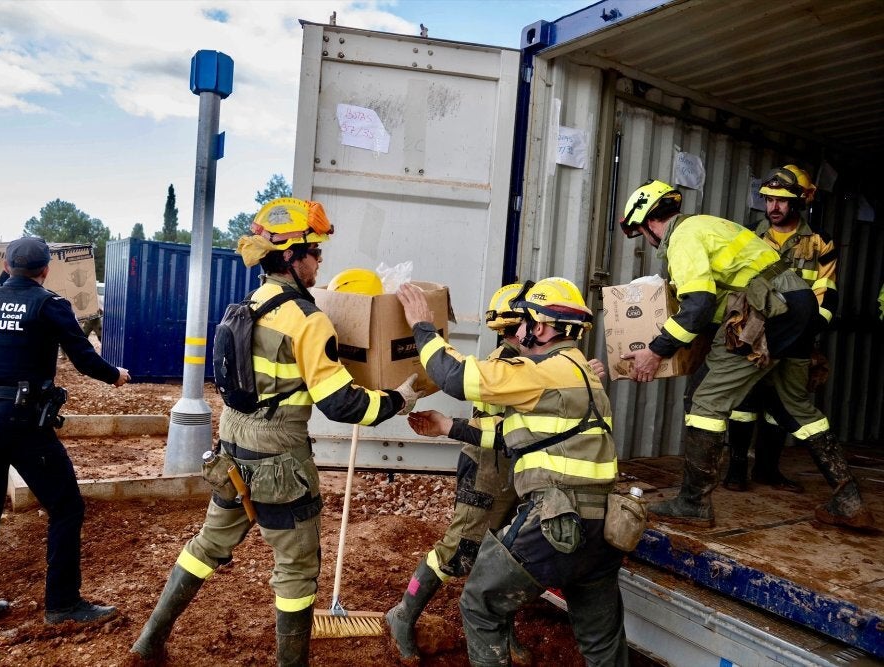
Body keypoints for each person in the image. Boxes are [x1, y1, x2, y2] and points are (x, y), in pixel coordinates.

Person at [129, 198, 421, 667]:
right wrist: (399, 398)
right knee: (298, 569)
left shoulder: (249, 304)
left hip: (233, 447)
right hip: (281, 462)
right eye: (315, 251)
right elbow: (343, 403)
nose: (320, 260)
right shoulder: (307, 320)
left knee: (207, 544)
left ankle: (149, 640)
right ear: (291, 256)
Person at [618, 179, 874, 531]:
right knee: (797, 406)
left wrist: (656, 351)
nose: (647, 240)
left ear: (647, 220)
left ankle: (692, 503)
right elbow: (720, 297)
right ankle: (849, 499)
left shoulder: (683, 237)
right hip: (798, 308)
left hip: (764, 313)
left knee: (704, 401)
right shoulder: (709, 225)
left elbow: (699, 305)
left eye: (640, 231)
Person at [397, 278, 628, 667]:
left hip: (556, 522)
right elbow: (518, 435)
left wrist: (423, 326)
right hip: (604, 530)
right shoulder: (587, 377)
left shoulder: (540, 371)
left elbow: (455, 377)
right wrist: (446, 427)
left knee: (479, 601)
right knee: (602, 645)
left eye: (525, 323)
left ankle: (404, 615)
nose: (519, 332)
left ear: (539, 327)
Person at [0, 236, 131, 624]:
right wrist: (115, 377)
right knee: (66, 506)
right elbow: (85, 358)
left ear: (5, 266)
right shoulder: (49, 304)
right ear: (45, 270)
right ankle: (63, 604)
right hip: (21, 420)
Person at [385, 282, 528, 664]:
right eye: (535, 321)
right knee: (458, 551)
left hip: (515, 471)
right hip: (487, 469)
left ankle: (501, 626)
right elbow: (492, 431)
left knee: (505, 553)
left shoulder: (534, 362)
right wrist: (448, 426)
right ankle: (402, 614)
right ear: (520, 325)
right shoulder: (505, 366)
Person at [723, 166, 837, 494]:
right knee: (743, 402)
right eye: (769, 200)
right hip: (754, 335)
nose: (774, 207)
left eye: (783, 201)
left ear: (798, 203)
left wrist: (809, 333)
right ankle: (736, 471)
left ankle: (768, 471)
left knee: (783, 405)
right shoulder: (748, 237)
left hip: (797, 338)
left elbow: (827, 293)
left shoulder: (819, 243)